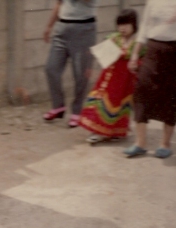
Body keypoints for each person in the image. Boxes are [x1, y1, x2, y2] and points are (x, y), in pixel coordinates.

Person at [79, 9, 144, 143]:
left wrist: (136, 64)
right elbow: (102, 55)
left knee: (120, 104)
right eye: (120, 25)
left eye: (126, 25)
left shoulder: (138, 43)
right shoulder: (114, 38)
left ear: (134, 25)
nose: (122, 28)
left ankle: (115, 131)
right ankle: (97, 131)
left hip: (126, 80)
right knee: (103, 102)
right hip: (109, 78)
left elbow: (142, 60)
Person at [124, 0, 176, 158]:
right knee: (141, 91)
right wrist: (134, 55)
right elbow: (143, 30)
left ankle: (165, 144)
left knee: (170, 96)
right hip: (153, 50)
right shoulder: (152, 2)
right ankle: (140, 143)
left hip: (174, 52)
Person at [42, 0, 98, 128]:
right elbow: (59, 3)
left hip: (84, 29)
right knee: (51, 68)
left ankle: (77, 111)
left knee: (80, 73)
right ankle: (58, 106)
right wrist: (49, 26)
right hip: (61, 28)